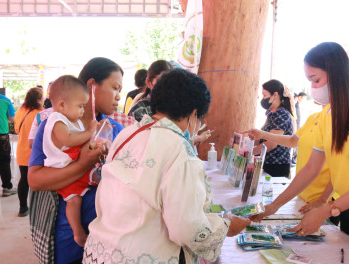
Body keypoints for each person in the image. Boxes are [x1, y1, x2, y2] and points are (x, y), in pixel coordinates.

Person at [83, 69, 250, 264]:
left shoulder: (127, 134)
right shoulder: (180, 151)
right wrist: (225, 226)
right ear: (194, 114)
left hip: (101, 252)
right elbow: (187, 229)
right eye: (199, 120)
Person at [251, 42, 349, 256]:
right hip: (348, 207)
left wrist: (325, 210)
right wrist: (274, 206)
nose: (313, 88)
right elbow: (311, 168)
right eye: (310, 81)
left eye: (316, 79)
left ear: (336, 73)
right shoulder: (328, 115)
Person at [28, 57, 124, 264]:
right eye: (115, 88)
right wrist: (83, 164)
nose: (119, 96)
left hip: (109, 233)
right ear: (91, 86)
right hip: (67, 235)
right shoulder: (54, 127)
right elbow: (35, 180)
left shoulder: (116, 129)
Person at [43, 75, 101, 247]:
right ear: (61, 104)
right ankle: (78, 232)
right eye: (80, 106)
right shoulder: (57, 120)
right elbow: (68, 140)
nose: (83, 111)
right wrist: (90, 132)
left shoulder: (71, 120)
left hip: (74, 164)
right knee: (73, 200)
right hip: (63, 168)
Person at [243, 103, 333, 211]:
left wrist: (323, 200)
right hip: (302, 196)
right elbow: (292, 141)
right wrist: (263, 134)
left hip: (322, 201)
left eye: (317, 84)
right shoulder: (313, 118)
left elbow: (339, 168)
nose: (313, 87)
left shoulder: (338, 121)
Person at [254, 79, 294, 178]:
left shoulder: (281, 114)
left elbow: (271, 144)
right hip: (269, 164)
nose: (263, 99)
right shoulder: (271, 113)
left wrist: (249, 152)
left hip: (276, 166)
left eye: (265, 95)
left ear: (275, 95)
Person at [14, 87, 43, 216]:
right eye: (42, 98)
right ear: (38, 100)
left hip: (21, 149)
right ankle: (39, 209)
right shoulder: (40, 114)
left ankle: (23, 208)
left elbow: (16, 129)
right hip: (35, 152)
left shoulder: (21, 110)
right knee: (38, 181)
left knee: (24, 179)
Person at [0, 92, 16, 197]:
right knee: (4, 162)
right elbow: (12, 118)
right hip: (1, 137)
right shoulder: (5, 100)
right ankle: (6, 188)